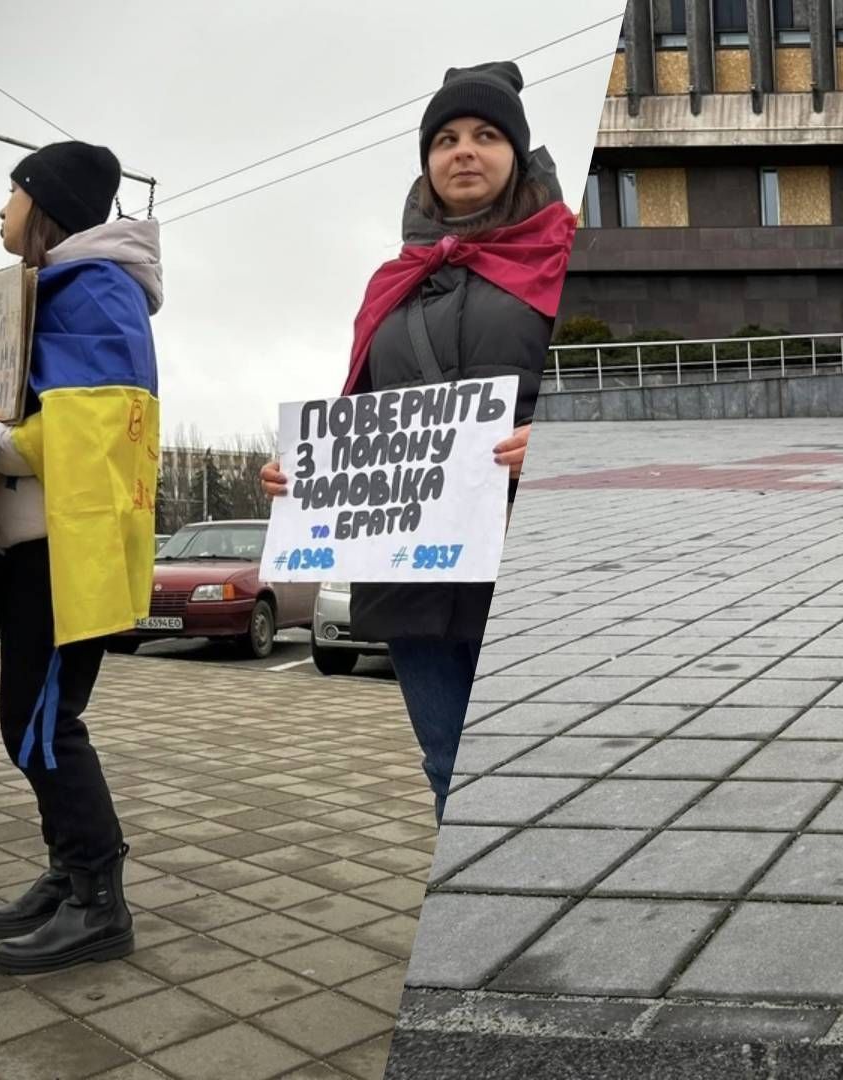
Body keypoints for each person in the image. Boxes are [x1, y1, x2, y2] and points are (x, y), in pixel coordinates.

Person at [260, 62, 576, 821]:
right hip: (410, 575)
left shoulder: (565, 250)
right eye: (445, 139)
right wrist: (306, 471)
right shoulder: (391, 282)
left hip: (522, 553)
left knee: (545, 770)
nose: (463, 151)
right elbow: (362, 409)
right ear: (427, 163)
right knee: (447, 766)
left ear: (518, 154)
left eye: (486, 135)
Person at [0, 140, 161, 974]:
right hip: (29, 550)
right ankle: (70, 875)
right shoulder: (42, 290)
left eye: (14, 191)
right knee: (34, 723)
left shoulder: (95, 289)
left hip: (65, 551)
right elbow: (9, 409)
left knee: (41, 725)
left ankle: (99, 899)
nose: (3, 207)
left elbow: (95, 430)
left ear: (46, 205)